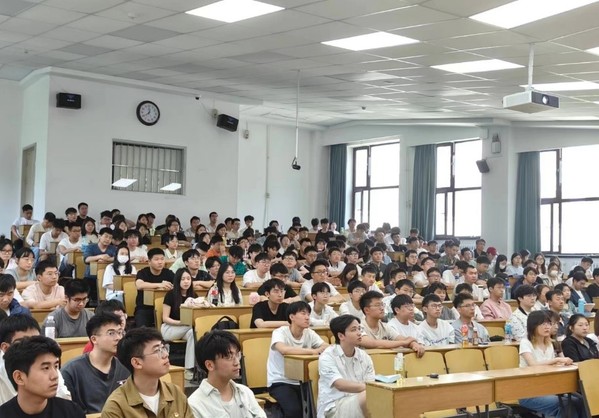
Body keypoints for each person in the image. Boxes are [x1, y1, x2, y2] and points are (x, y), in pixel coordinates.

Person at [101, 327, 192, 418]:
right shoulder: (116, 406)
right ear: (137, 363)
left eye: (164, 348)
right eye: (157, 351)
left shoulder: (175, 393)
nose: (166, 354)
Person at [267, 301, 327, 418]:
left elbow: (325, 346)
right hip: (280, 381)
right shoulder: (280, 332)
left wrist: (318, 349)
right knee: (294, 411)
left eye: (308, 314)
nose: (307, 317)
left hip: (304, 381)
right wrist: (312, 351)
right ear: (292, 317)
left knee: (316, 407)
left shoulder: (309, 333)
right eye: (303, 313)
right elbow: (283, 349)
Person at [518, 311, 584, 418]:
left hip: (549, 388)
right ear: (533, 326)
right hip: (529, 392)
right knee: (565, 405)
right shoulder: (525, 342)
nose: (547, 327)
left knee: (580, 401)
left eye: (549, 323)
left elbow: (552, 367)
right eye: (543, 324)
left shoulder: (549, 343)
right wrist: (556, 360)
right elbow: (533, 365)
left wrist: (562, 364)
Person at [61, 313, 130, 413]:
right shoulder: (71, 370)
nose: (118, 338)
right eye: (111, 333)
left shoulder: (126, 367)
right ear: (94, 339)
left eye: (120, 332)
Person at [0, 335, 84, 417]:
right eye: (46, 368)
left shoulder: (72, 412)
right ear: (19, 377)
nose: (55, 376)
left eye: (55, 366)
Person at [188, 330, 266, 418]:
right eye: (229, 357)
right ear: (210, 365)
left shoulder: (245, 392)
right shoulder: (195, 404)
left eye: (237, 355)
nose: (237, 362)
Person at [0, 314, 71, 404]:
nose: (33, 348)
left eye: (37, 341)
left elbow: (65, 400)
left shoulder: (49, 366)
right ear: (5, 348)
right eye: (24, 343)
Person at [317, 315, 374, 418]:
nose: (359, 333)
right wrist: (373, 389)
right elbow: (340, 385)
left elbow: (371, 382)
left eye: (359, 329)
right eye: (354, 330)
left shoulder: (364, 356)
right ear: (341, 336)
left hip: (359, 399)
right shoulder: (327, 356)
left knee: (381, 397)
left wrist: (374, 389)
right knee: (369, 396)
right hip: (333, 407)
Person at [359, 291, 425, 355]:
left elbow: (400, 338)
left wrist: (414, 344)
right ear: (366, 310)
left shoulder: (385, 327)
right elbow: (372, 343)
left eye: (382, 304)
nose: (382, 308)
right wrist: (404, 342)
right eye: (377, 305)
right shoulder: (358, 327)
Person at [161, 268, 197, 381]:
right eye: (183, 279)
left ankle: (189, 368)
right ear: (177, 280)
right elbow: (165, 318)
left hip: (186, 329)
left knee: (193, 333)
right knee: (192, 328)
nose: (186, 281)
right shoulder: (170, 295)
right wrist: (181, 323)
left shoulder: (194, 295)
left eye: (188, 279)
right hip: (170, 329)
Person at [135, 248, 174, 328]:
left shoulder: (168, 273)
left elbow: (178, 284)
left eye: (162, 259)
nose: (160, 262)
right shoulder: (143, 272)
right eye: (156, 259)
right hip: (145, 309)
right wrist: (159, 285)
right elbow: (139, 285)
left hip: (165, 309)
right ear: (149, 261)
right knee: (142, 328)